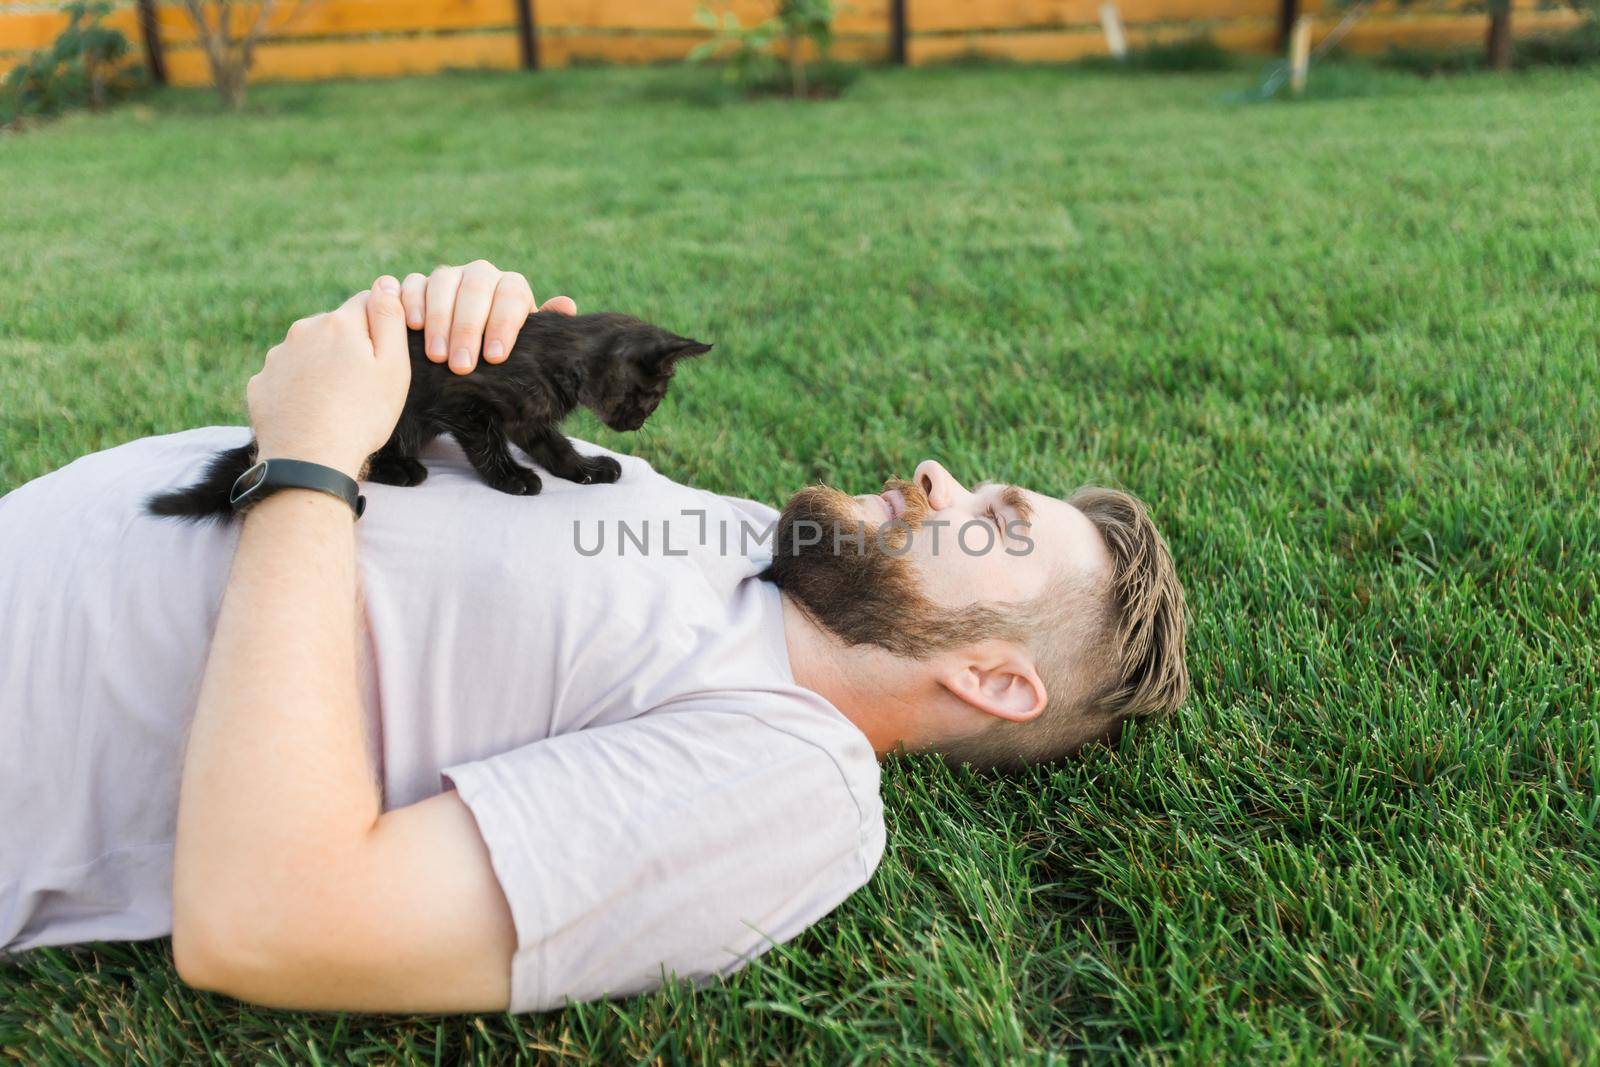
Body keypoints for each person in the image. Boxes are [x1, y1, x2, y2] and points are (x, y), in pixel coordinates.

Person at [0, 261, 1188, 1014]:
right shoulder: (743, 542)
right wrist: (455, 335)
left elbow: (269, 918)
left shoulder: (792, 783)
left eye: (993, 520)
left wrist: (308, 461)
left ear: (992, 677)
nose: (940, 475)